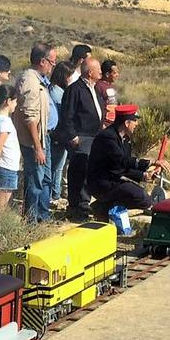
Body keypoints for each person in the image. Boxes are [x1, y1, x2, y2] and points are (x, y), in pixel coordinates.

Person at [86, 104, 165, 219]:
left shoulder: (125, 139)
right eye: (135, 121)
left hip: (113, 179)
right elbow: (122, 161)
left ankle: (102, 206)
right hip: (101, 183)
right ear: (127, 123)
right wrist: (150, 163)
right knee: (142, 197)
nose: (136, 124)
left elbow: (122, 167)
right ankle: (104, 207)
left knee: (144, 199)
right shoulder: (107, 137)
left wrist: (143, 175)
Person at [58, 56, 106, 219]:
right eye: (98, 69)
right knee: (79, 172)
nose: (101, 71)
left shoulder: (95, 88)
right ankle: (76, 206)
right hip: (81, 137)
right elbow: (67, 114)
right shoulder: (75, 89)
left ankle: (84, 204)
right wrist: (73, 136)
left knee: (88, 171)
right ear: (90, 72)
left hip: (94, 136)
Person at [16, 42, 56, 222]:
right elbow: (30, 118)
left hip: (43, 138)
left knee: (45, 179)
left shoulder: (38, 79)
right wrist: (37, 147)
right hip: (35, 141)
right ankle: (31, 221)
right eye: (52, 61)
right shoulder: (30, 81)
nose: (53, 65)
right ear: (42, 61)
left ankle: (42, 216)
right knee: (35, 181)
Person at [0, 85, 21, 208]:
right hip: (6, 168)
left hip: (2, 168)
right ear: (8, 101)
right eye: (15, 101)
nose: (16, 104)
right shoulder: (5, 122)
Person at [47, 61, 72, 209]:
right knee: (56, 165)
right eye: (68, 76)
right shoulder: (56, 92)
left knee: (58, 165)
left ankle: (54, 194)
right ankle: (53, 195)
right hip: (57, 133)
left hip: (58, 133)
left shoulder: (56, 90)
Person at [96, 59, 120, 126]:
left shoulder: (112, 86)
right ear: (107, 74)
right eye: (114, 73)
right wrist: (102, 124)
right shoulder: (98, 86)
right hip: (105, 124)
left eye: (117, 72)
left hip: (113, 123)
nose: (117, 75)